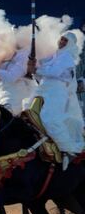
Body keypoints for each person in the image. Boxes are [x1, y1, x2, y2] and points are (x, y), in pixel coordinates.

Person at [28, 32, 84, 170]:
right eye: (61, 39)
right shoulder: (55, 56)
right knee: (29, 115)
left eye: (66, 41)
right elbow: (43, 77)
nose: (62, 42)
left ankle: (68, 149)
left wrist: (37, 69)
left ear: (70, 44)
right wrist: (33, 70)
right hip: (43, 89)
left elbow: (55, 73)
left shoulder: (67, 57)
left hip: (57, 92)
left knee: (50, 119)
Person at [0, 45, 34, 115]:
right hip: (1, 97)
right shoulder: (9, 54)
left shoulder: (24, 55)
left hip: (14, 101)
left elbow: (11, 78)